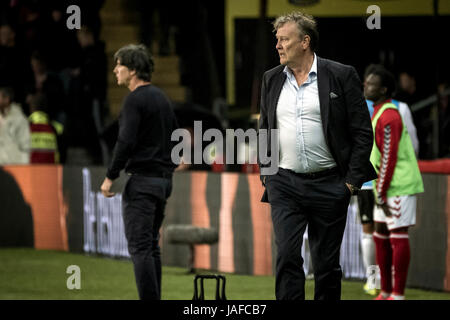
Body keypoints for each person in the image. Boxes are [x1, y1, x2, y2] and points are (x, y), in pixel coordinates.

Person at [258, 11, 376, 300]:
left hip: (330, 184)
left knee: (325, 266)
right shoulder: (270, 79)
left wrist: (350, 183)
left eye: (284, 39)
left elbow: (362, 133)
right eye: (277, 39)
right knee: (286, 256)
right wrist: (267, 175)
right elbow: (264, 129)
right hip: (284, 184)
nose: (278, 45)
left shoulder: (341, 74)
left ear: (305, 42)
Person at [100, 44, 178, 300]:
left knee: (141, 248)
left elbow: (125, 142)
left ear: (132, 70)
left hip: (142, 183)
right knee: (151, 247)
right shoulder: (162, 98)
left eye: (119, 65)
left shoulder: (134, 100)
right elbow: (177, 138)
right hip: (163, 182)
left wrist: (111, 176)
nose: (115, 70)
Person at [358, 64, 420, 296]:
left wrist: (381, 191)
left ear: (383, 90)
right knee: (379, 235)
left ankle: (397, 293)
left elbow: (389, 156)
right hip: (381, 185)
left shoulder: (391, 115)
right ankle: (384, 291)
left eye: (372, 84)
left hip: (398, 185)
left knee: (397, 236)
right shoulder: (378, 111)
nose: (367, 86)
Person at [0, 87, 30, 165]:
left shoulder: (19, 119)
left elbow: (25, 147)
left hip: (14, 166)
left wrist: (23, 168)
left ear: (6, 99)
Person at [28, 93, 60, 163]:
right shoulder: (57, 128)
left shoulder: (24, 127)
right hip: (51, 172)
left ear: (31, 107)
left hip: (28, 171)